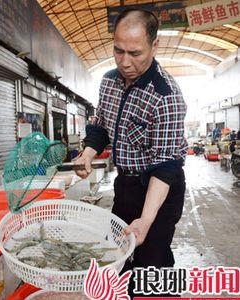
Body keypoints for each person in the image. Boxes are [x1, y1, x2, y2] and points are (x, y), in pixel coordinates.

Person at [75, 9, 187, 298]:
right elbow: (100, 127)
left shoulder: (166, 97)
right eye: (118, 50)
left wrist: (146, 220)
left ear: (154, 46)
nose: (125, 62)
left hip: (159, 191)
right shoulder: (109, 82)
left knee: (151, 262)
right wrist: (87, 154)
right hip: (125, 186)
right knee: (120, 258)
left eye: (135, 53)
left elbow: (166, 168)